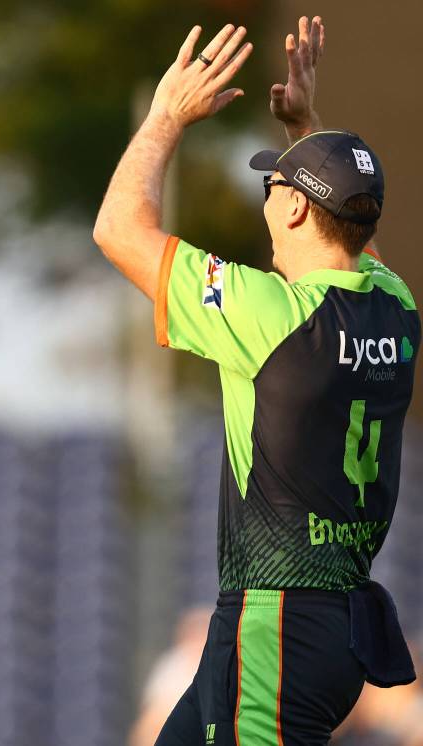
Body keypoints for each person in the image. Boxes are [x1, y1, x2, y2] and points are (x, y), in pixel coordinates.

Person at [93, 15, 420, 746]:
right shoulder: (395, 307)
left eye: (273, 183)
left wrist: (166, 118)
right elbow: (352, 239)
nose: (266, 196)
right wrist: (308, 130)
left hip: (276, 622)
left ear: (297, 206)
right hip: (331, 626)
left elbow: (117, 229)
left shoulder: (271, 315)